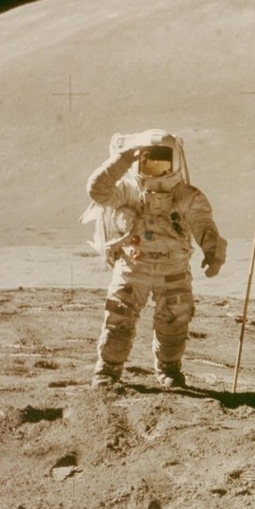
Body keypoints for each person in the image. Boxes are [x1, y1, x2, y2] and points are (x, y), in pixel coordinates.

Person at [86, 129, 227, 388]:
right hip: (133, 266)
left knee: (174, 321)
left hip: (172, 268)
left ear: (175, 161)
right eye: (149, 162)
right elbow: (97, 191)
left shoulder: (186, 196)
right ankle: (107, 370)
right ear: (140, 161)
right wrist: (121, 161)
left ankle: (169, 369)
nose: (156, 170)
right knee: (119, 317)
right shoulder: (128, 190)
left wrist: (212, 252)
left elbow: (203, 224)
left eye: (163, 163)